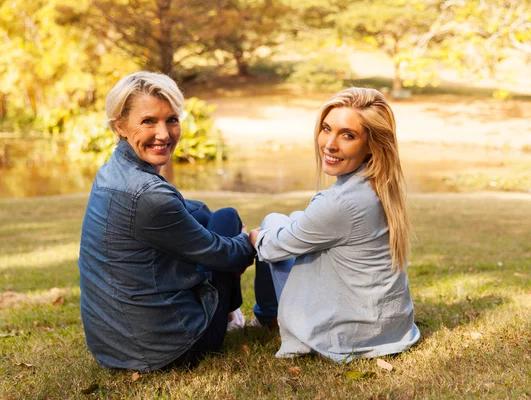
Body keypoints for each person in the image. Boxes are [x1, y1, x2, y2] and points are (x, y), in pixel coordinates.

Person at [78, 71, 255, 372]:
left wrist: (200, 218)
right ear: (120, 125)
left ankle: (227, 311)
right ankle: (229, 316)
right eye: (148, 121)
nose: (164, 133)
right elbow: (225, 254)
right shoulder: (148, 195)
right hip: (168, 350)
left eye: (172, 119)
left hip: (112, 348)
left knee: (204, 216)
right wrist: (250, 242)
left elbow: (182, 209)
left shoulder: (111, 170)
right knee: (227, 219)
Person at [249, 87, 420, 362]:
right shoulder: (380, 185)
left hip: (349, 335)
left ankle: (266, 317)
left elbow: (271, 249)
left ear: (372, 145)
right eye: (326, 129)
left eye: (348, 135)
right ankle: (266, 315)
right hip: (390, 328)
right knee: (287, 221)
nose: (330, 144)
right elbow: (311, 226)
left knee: (272, 223)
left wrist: (256, 237)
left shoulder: (341, 203)